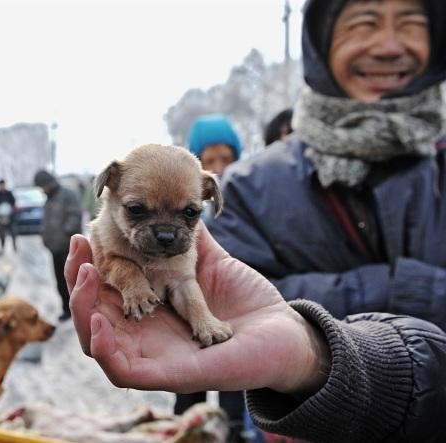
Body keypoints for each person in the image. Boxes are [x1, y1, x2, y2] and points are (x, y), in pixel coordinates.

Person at [64, 225, 446, 442]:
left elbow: (187, 285)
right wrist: (306, 352)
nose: (165, 232)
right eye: (137, 210)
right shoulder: (256, 186)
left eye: (188, 213)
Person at [207, 0, 446, 334]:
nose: (389, 47)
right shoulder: (248, 189)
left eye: (411, 24)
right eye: (366, 23)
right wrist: (393, 289)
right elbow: (231, 309)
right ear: (321, 40)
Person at [181, 114, 246, 431]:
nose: (220, 166)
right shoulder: (183, 205)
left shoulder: (251, 200)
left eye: (226, 157)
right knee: (188, 389)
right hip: (188, 310)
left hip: (232, 311)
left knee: (233, 389)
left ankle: (233, 432)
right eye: (210, 159)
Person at [34, 170, 82, 321]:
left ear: (48, 183)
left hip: (68, 247)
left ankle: (80, 309)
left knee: (73, 280)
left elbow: (75, 216)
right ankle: (67, 309)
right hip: (55, 248)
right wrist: (45, 237)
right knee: (60, 281)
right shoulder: (48, 199)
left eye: (42, 186)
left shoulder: (67, 195)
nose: (42, 190)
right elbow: (46, 222)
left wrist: (67, 232)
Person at [0, 179, 17, 253]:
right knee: (2, 233)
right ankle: (3, 247)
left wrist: (9, 208)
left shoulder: (9, 193)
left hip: (10, 216)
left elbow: (13, 202)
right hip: (1, 216)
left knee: (12, 231)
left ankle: (14, 246)